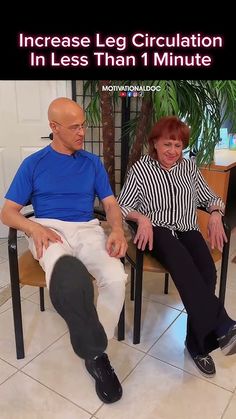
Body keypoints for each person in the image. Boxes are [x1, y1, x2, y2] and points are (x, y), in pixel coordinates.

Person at [0, 97, 128, 403]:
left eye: (83, 125)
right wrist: (34, 228)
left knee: (115, 276)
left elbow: (110, 204)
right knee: (63, 271)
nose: (82, 132)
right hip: (48, 229)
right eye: (74, 127)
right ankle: (97, 358)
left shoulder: (92, 163)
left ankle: (94, 348)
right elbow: (8, 213)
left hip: (87, 228)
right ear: (53, 128)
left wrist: (119, 229)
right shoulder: (33, 164)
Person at [118, 115, 236, 378]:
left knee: (207, 273)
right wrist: (142, 218)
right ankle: (223, 323)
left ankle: (197, 345)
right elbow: (122, 205)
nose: (173, 151)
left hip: (187, 228)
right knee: (183, 264)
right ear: (155, 143)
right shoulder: (140, 170)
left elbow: (210, 197)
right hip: (156, 231)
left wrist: (216, 213)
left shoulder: (189, 168)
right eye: (167, 144)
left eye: (178, 145)